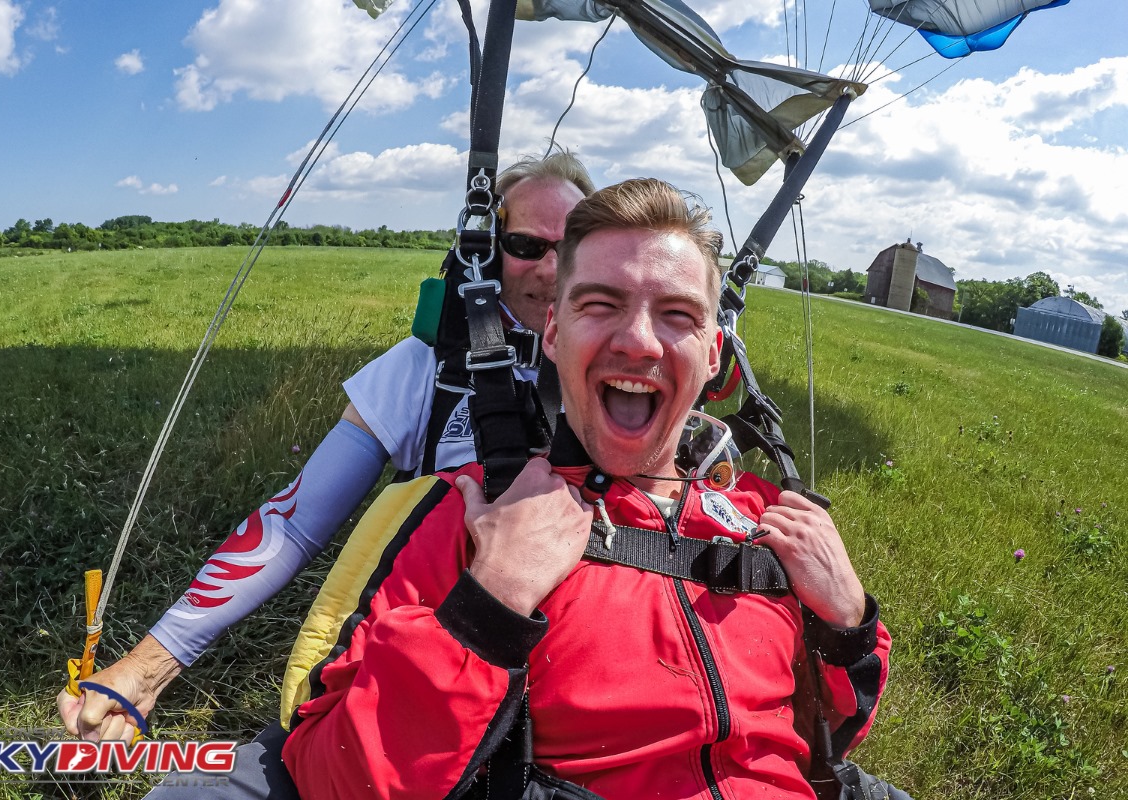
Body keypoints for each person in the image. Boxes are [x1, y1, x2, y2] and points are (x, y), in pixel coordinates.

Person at [280, 177, 891, 799]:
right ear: (552, 334)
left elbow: (830, 739)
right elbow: (336, 778)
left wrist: (849, 623)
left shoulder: (771, 521)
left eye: (678, 314)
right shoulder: (477, 517)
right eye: (600, 305)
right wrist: (489, 606)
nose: (637, 341)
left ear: (714, 355)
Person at [57, 151, 595, 745]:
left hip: (579, 668)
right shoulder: (426, 367)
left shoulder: (618, 372)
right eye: (525, 245)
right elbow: (293, 523)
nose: (550, 270)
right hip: (434, 663)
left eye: (567, 248)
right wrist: (148, 667)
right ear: (489, 252)